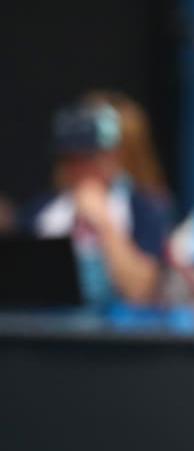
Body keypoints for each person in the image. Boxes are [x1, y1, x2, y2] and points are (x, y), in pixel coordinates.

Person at [24, 101, 169, 307]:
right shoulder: (41, 211)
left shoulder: (142, 208)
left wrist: (103, 222)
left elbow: (140, 291)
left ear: (114, 155)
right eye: (69, 159)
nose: (79, 168)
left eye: (88, 157)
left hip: (119, 324)